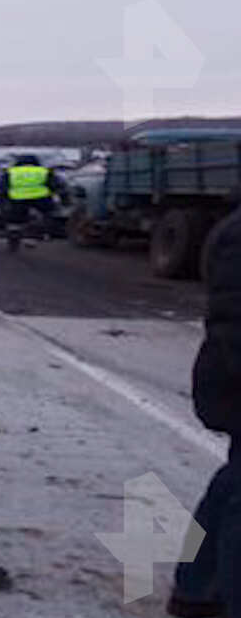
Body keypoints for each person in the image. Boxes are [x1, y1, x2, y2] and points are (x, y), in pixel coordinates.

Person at [167, 207, 241, 618]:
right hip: (234, 381)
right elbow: (235, 323)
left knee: (233, 485)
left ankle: (196, 589)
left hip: (228, 380)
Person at [0, 153, 67, 245]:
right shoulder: (43, 171)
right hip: (40, 197)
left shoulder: (11, 172)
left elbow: (3, 186)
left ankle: (14, 232)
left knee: (15, 218)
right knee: (49, 212)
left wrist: (5, 197)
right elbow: (54, 184)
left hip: (18, 198)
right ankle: (46, 231)